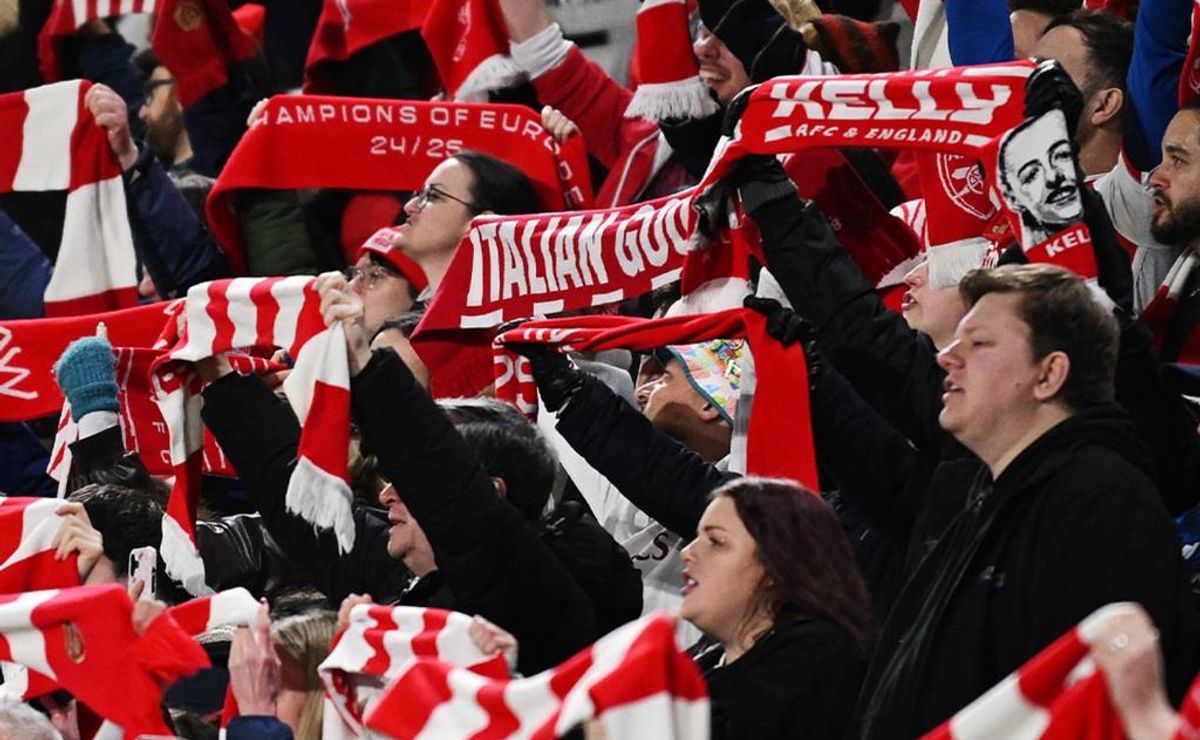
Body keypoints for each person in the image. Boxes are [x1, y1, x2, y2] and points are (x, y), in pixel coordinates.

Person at [852, 264, 1198, 739]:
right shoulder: (988, 496)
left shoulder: (1102, 504)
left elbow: (1092, 715)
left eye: (979, 342)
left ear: (1049, 374)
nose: (946, 357)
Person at [997, 110, 1086, 245]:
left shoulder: (1109, 200)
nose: (1053, 177)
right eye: (1031, 174)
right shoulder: (1012, 256)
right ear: (1012, 199)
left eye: (1062, 155)